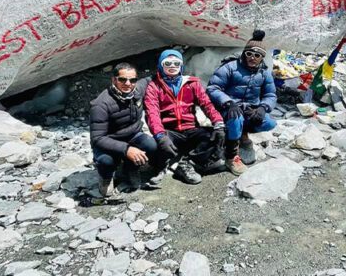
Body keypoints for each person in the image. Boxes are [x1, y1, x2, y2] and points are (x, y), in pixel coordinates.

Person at [144, 49, 225, 185]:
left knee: (216, 135)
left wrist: (218, 122)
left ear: (181, 66)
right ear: (160, 66)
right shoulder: (154, 86)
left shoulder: (191, 83)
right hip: (170, 131)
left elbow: (207, 105)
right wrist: (160, 135)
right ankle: (162, 167)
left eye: (176, 63)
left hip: (191, 128)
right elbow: (152, 113)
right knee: (156, 146)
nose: (172, 66)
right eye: (167, 63)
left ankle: (187, 163)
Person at [208, 30, 278, 175]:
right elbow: (213, 87)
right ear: (244, 53)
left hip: (250, 108)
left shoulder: (265, 73)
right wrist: (228, 102)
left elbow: (270, 94)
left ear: (262, 58)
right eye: (249, 54)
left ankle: (242, 133)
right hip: (228, 107)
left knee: (269, 123)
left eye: (257, 55)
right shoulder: (230, 67)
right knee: (235, 118)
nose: (253, 58)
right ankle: (231, 155)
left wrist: (263, 108)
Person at [89, 63, 161, 198]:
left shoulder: (138, 89)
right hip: (109, 141)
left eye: (132, 80)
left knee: (151, 145)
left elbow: (150, 79)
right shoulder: (100, 104)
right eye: (122, 79)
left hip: (132, 135)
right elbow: (97, 138)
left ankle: (130, 168)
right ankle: (106, 177)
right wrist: (127, 149)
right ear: (114, 80)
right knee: (106, 161)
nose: (128, 83)